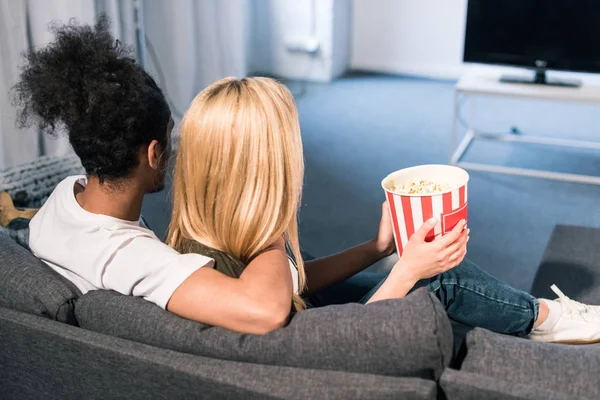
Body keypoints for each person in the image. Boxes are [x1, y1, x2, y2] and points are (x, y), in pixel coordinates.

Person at [166, 76, 600, 344]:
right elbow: (328, 344)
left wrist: (378, 247)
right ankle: (544, 319)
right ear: (265, 167)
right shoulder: (236, 271)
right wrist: (406, 271)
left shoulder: (212, 232)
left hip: (312, 310)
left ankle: (538, 313)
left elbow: (297, 280)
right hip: (332, 338)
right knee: (440, 278)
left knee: (433, 270)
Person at [16, 17, 302, 334]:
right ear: (154, 154)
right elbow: (264, 312)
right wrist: (272, 229)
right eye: (170, 136)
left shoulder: (64, 197)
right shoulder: (131, 258)